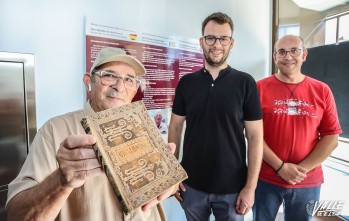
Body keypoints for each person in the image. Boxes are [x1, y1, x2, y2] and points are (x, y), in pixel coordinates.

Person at [6, 47, 177, 221]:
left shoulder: (144, 126)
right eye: (109, 75)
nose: (120, 86)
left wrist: (169, 181)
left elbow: (160, 189)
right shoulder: (53, 130)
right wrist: (60, 181)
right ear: (89, 81)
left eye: (129, 79)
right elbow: (16, 216)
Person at [168, 12, 263, 221]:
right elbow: (175, 128)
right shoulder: (186, 83)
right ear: (202, 42)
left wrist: (250, 187)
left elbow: (255, 137)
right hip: (191, 186)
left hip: (233, 189)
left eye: (223, 38)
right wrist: (172, 176)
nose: (217, 44)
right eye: (210, 38)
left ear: (231, 43)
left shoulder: (245, 83)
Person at [253, 35, 342, 221]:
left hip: (307, 181)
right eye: (282, 52)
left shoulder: (322, 90)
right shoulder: (258, 89)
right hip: (266, 178)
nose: (288, 56)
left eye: (294, 50)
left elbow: (331, 137)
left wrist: (300, 171)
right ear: (274, 56)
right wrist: (280, 167)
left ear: (304, 55)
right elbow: (253, 134)